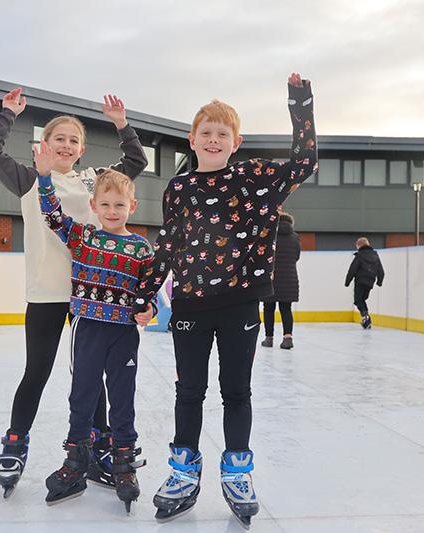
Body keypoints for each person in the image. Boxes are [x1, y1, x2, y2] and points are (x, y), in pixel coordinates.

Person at [132, 73, 317, 526]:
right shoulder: (180, 189)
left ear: (236, 142)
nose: (213, 139)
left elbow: (304, 160)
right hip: (191, 304)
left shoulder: (255, 178)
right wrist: (147, 294)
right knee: (188, 391)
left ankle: (237, 470)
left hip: (239, 304)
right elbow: (169, 244)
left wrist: (301, 101)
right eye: (206, 133)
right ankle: (183, 471)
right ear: (192, 140)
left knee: (236, 391)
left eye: (222, 134)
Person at [0, 88, 147, 497]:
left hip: (92, 294)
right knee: (37, 371)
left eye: (74, 140)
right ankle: (15, 442)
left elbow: (136, 163)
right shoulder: (29, 178)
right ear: (45, 144)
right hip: (47, 293)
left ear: (82, 149)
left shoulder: (93, 181)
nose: (67, 145)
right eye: (60, 138)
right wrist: (7, 114)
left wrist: (122, 125)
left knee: (92, 377)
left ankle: (99, 443)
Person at [34, 142, 154, 512]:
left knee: (122, 399)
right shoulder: (83, 236)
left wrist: (148, 309)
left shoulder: (141, 249)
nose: (112, 211)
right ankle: (76, 460)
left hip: (122, 334)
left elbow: (149, 296)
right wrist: (43, 177)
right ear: (94, 207)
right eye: (105, 204)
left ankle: (123, 462)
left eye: (120, 205)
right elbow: (52, 215)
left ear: (131, 207)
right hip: (87, 328)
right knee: (82, 395)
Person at [261, 212, 301, 349]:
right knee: (286, 308)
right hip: (289, 278)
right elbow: (296, 256)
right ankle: (287, 338)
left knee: (268, 308)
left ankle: (269, 338)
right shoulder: (295, 237)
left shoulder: (269, 236)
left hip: (271, 278)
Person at [345, 237, 385, 329]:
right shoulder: (375, 255)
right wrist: (379, 281)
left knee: (358, 300)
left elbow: (352, 270)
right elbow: (381, 271)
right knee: (362, 299)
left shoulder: (359, 256)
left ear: (358, 246)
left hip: (360, 281)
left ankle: (366, 317)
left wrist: (347, 282)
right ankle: (366, 318)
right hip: (370, 282)